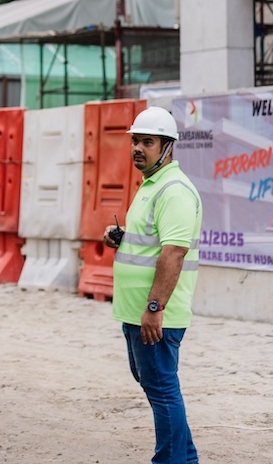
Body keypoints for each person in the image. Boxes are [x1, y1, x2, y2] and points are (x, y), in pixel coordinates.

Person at [104, 107, 202, 464]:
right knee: (156, 387)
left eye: (147, 141)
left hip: (156, 313)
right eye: (135, 141)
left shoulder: (174, 191)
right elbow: (152, 245)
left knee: (162, 390)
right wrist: (122, 239)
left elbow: (174, 253)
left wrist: (154, 309)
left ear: (167, 147)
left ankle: (172, 461)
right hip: (135, 310)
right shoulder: (151, 186)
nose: (137, 148)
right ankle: (185, 458)